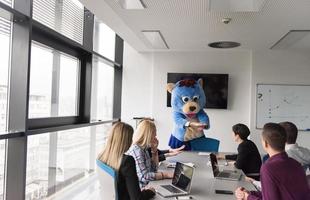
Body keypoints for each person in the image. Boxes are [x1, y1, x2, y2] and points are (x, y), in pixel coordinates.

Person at [235, 123, 310, 200]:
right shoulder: (296, 164)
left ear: (265, 143)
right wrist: (250, 193)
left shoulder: (268, 168)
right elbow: (278, 193)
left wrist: (248, 197)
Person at [97, 122, 155, 200]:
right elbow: (137, 198)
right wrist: (150, 191)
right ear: (126, 141)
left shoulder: (101, 157)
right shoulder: (127, 161)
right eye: (130, 138)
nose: (131, 141)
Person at [127, 120, 174, 188]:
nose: (155, 136)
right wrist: (166, 175)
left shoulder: (144, 148)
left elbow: (154, 170)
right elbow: (144, 177)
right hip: (141, 188)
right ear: (148, 135)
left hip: (149, 185)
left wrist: (154, 151)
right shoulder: (136, 150)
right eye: (154, 134)